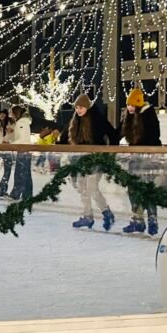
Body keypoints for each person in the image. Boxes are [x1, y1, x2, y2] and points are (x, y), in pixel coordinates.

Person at [61, 93, 118, 230]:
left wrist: (109, 153)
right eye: (76, 108)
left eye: (81, 107)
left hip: (95, 159)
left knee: (92, 188)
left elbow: (113, 134)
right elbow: (64, 137)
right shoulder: (75, 120)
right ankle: (87, 216)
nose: (78, 110)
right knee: (82, 189)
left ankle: (106, 212)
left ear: (87, 106)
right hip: (80, 160)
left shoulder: (97, 118)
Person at [119, 88, 163, 235]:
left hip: (149, 159)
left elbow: (154, 136)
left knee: (147, 189)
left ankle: (152, 221)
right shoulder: (130, 117)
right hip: (135, 158)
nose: (129, 108)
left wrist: (146, 152)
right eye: (128, 105)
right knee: (133, 189)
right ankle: (138, 220)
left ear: (138, 104)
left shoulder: (148, 115)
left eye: (131, 105)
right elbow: (118, 132)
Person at [8, 105, 33, 200]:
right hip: (24, 151)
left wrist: (11, 144)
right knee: (24, 173)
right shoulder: (22, 123)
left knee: (20, 173)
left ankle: (17, 193)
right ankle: (26, 195)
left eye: (11, 112)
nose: (10, 115)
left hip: (23, 151)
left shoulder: (21, 123)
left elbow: (22, 139)